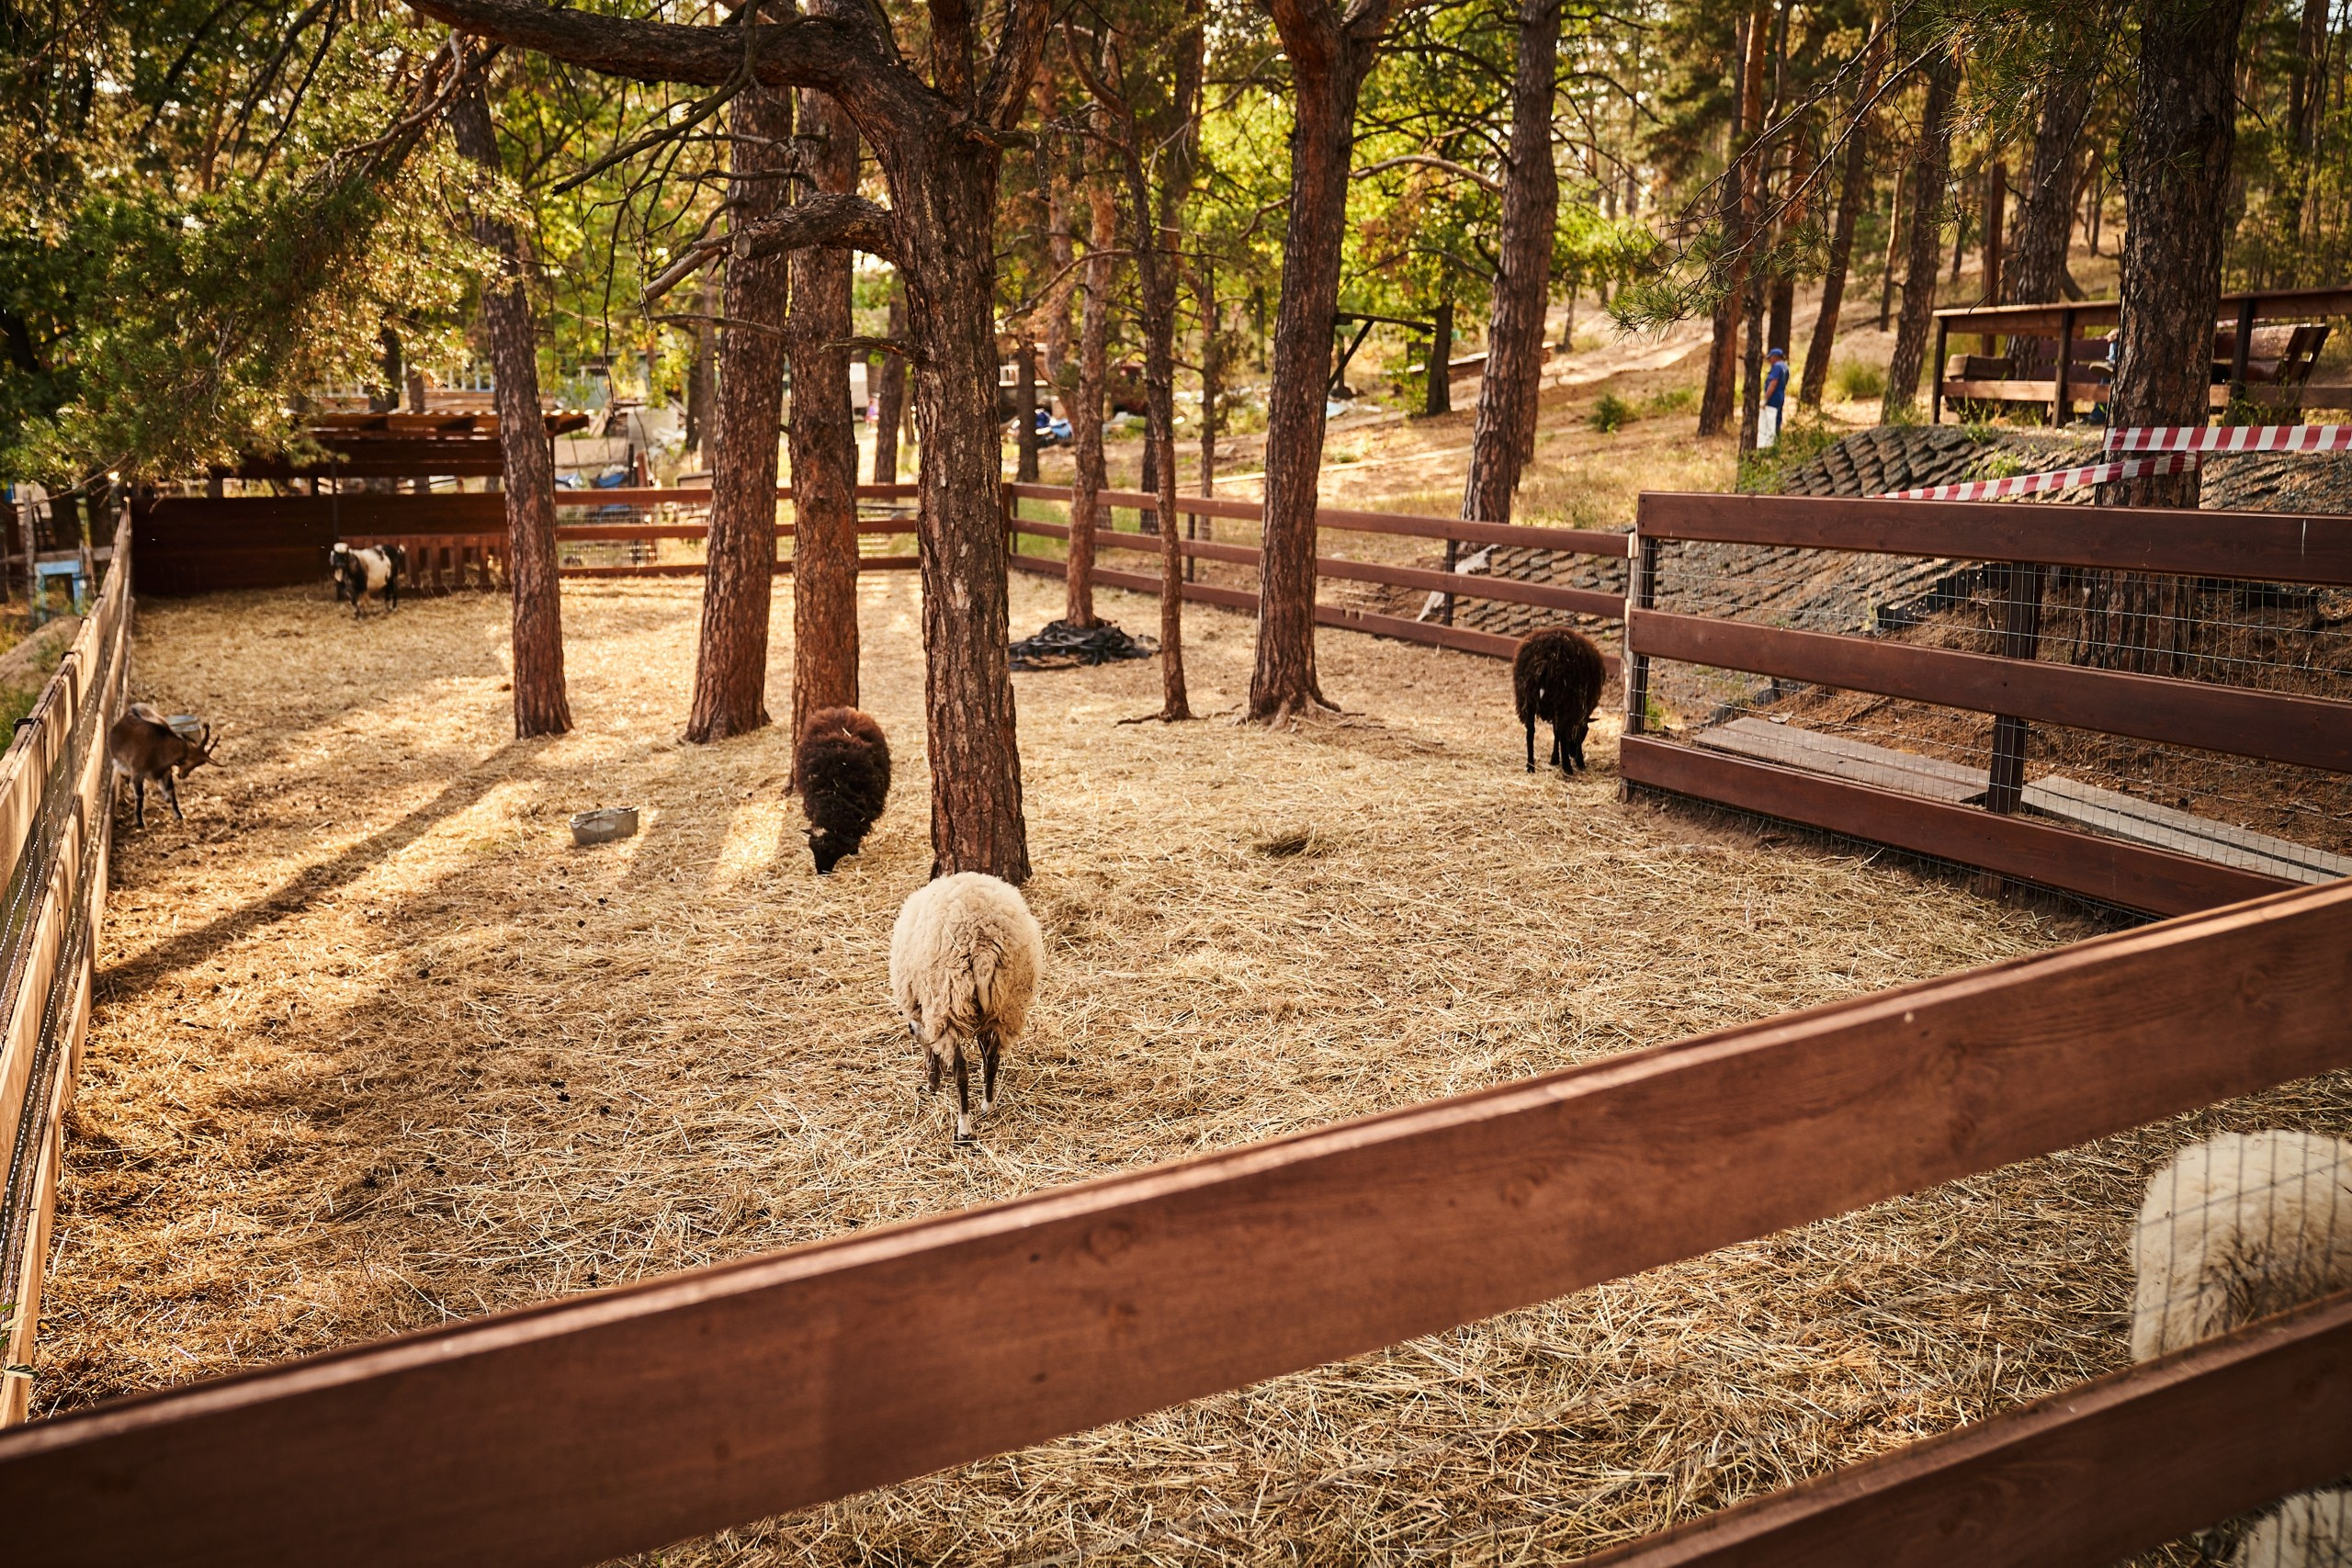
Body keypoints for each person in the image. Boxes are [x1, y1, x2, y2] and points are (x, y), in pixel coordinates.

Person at [1758, 346, 1789, 449]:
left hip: (1773, 397)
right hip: (1780, 395)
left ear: (1775, 357)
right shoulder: (1785, 367)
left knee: (1770, 419)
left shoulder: (1777, 367)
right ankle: (1777, 442)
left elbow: (1773, 383)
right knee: (1777, 419)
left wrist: (1765, 399)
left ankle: (1769, 445)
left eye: (1770, 358)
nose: (1769, 361)